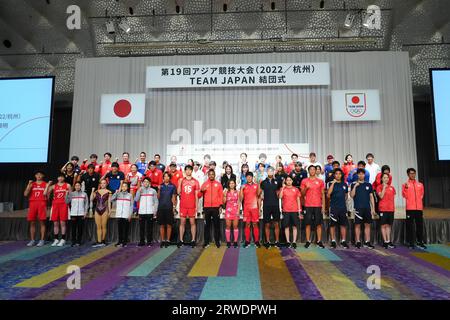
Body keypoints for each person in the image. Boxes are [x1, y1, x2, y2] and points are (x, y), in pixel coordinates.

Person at [301, 166, 326, 248]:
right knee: (307, 224)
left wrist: (323, 207)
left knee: (318, 224)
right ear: (308, 171)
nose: (312, 171)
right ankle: (308, 241)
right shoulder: (304, 181)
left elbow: (323, 194)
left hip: (318, 205)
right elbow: (302, 194)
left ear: (316, 171)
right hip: (308, 205)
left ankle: (319, 241)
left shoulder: (320, 181)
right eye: (310, 169)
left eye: (313, 169)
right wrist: (306, 188)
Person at [350, 169, 376, 249]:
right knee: (357, 225)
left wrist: (373, 209)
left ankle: (367, 242)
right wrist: (355, 186)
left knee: (367, 225)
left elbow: (371, 197)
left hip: (367, 208)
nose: (361, 175)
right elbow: (351, 195)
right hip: (358, 208)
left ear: (364, 175)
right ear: (357, 175)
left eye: (362, 174)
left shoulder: (368, 185)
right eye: (359, 174)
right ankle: (357, 241)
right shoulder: (353, 184)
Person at [402, 168, 426, 249]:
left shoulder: (420, 184)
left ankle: (420, 242)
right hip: (410, 208)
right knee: (410, 226)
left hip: (419, 208)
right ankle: (411, 243)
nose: (412, 175)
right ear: (408, 174)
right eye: (411, 173)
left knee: (419, 226)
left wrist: (418, 202)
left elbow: (422, 195)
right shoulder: (405, 184)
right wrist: (405, 188)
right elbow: (404, 195)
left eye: (414, 173)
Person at [177, 165, 200, 248]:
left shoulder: (196, 181)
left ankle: (193, 240)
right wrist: (180, 183)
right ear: (185, 171)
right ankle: (181, 240)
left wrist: (197, 207)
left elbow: (197, 196)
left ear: (191, 171)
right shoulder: (181, 180)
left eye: (190, 170)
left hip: (192, 206)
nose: (188, 171)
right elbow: (178, 192)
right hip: (183, 205)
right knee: (182, 223)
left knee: (192, 223)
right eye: (186, 170)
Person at [200, 169, 224, 248]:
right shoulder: (204, 184)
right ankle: (206, 242)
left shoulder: (218, 184)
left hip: (215, 207)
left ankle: (217, 241)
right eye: (209, 174)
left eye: (212, 174)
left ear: (214, 175)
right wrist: (201, 191)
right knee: (207, 225)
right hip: (206, 208)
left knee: (216, 225)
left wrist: (220, 206)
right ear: (208, 175)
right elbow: (199, 195)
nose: (211, 176)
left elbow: (221, 196)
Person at [327, 168, 350, 249]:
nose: (338, 175)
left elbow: (346, 196)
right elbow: (328, 195)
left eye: (339, 174)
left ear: (341, 175)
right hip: (334, 207)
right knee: (332, 225)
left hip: (342, 207)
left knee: (343, 225)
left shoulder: (344, 184)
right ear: (334, 175)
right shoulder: (330, 184)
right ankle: (333, 241)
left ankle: (343, 241)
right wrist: (333, 183)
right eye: (336, 174)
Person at [45, 175, 70, 247]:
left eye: (62, 177)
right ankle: (56, 239)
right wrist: (48, 185)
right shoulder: (53, 186)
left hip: (63, 205)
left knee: (62, 223)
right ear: (57, 178)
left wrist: (67, 198)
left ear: (64, 178)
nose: (60, 178)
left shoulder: (67, 185)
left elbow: (71, 196)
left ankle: (63, 239)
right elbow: (46, 194)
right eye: (59, 177)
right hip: (55, 205)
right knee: (55, 223)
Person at [259, 167, 282, 249]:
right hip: (266, 205)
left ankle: (277, 241)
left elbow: (279, 194)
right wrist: (259, 184)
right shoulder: (263, 182)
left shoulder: (277, 182)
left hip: (275, 205)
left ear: (274, 172)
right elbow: (259, 194)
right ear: (267, 172)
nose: (270, 172)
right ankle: (268, 242)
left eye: (272, 171)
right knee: (267, 224)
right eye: (269, 171)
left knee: (276, 224)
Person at [24, 171, 48, 247]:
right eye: (37, 174)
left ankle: (42, 240)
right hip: (33, 203)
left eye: (40, 174)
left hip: (41, 203)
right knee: (32, 222)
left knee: (42, 222)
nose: (39, 176)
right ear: (35, 175)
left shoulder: (46, 184)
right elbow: (25, 194)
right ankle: (32, 240)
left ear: (43, 176)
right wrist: (28, 185)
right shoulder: (32, 184)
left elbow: (47, 195)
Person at [279, 176, 302, 248]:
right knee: (286, 227)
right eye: (287, 180)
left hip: (294, 210)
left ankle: (294, 242)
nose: (288, 181)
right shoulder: (283, 189)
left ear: (292, 181)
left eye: (290, 180)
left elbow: (298, 200)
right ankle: (288, 242)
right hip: (286, 210)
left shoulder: (296, 189)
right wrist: (282, 188)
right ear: (285, 181)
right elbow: (280, 197)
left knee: (295, 226)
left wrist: (299, 210)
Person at [135, 177, 158, 246]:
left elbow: (156, 201)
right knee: (141, 228)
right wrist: (139, 191)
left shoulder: (153, 191)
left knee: (149, 228)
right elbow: (136, 199)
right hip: (141, 212)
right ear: (142, 183)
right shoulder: (140, 190)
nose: (145, 183)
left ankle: (149, 242)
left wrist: (155, 211)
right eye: (144, 182)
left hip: (150, 212)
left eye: (147, 182)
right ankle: (142, 241)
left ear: (149, 183)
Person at [240, 172, 261, 248]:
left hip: (255, 208)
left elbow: (258, 195)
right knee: (247, 224)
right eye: (247, 177)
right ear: (246, 178)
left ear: (252, 177)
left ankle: (256, 241)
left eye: (250, 177)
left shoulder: (256, 185)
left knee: (255, 224)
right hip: (246, 208)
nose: (249, 178)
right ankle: (247, 241)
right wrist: (241, 189)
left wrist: (258, 184)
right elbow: (241, 198)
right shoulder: (243, 186)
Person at [157, 172, 177, 248]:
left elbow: (174, 197)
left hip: (169, 207)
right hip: (161, 207)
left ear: (169, 178)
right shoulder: (160, 186)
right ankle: (163, 240)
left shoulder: (173, 186)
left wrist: (174, 207)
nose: (166, 178)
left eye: (167, 176)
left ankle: (168, 240)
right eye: (164, 176)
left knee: (169, 225)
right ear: (163, 178)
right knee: (162, 225)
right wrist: (158, 190)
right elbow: (158, 197)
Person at [376, 173, 396, 249]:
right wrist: (384, 187)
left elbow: (392, 198)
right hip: (383, 209)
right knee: (383, 225)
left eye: (387, 177)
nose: (386, 179)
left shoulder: (392, 188)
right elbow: (381, 196)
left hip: (391, 209)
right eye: (384, 178)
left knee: (388, 225)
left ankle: (388, 241)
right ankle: (385, 241)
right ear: (381, 179)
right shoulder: (379, 187)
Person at [66, 181, 88, 246]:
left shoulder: (84, 194)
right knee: (73, 229)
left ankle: (78, 241)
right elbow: (66, 202)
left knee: (80, 228)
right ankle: (73, 241)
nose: (77, 187)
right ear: (74, 187)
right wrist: (66, 195)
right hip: (73, 214)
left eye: (78, 185)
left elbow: (86, 204)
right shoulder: (72, 194)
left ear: (81, 186)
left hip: (81, 214)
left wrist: (85, 212)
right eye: (76, 186)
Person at [91, 179, 112, 247]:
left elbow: (109, 202)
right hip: (97, 210)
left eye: (104, 183)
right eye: (101, 183)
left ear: (106, 184)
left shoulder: (109, 192)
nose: (103, 184)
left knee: (104, 226)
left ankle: (103, 241)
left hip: (104, 209)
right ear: (100, 184)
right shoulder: (96, 191)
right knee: (98, 226)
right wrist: (92, 191)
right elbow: (91, 199)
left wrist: (110, 211)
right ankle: (99, 241)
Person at [111, 182, 133, 247]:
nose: (124, 187)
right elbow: (111, 199)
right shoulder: (118, 194)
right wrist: (116, 193)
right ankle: (119, 241)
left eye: (125, 186)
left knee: (125, 229)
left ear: (127, 187)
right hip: (119, 214)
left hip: (126, 215)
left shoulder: (130, 195)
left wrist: (130, 214)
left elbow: (131, 206)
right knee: (119, 229)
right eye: (123, 186)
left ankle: (124, 242)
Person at [223, 179, 240, 248]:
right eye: (230, 183)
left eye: (233, 183)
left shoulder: (238, 192)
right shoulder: (226, 192)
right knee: (228, 226)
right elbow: (223, 202)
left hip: (235, 211)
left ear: (235, 184)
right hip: (228, 211)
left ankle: (235, 241)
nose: (232, 184)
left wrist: (238, 211)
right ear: (228, 185)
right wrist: (224, 195)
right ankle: (228, 241)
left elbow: (239, 202)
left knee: (235, 226)